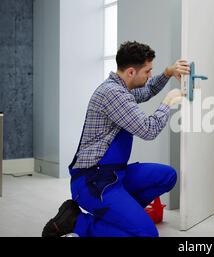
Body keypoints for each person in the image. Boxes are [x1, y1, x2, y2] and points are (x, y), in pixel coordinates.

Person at [42, 41, 190, 237]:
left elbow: (146, 91)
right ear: (131, 72)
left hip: (113, 175)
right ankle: (77, 222)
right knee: (147, 235)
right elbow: (148, 130)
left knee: (167, 176)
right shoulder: (113, 94)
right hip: (93, 182)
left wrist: (168, 72)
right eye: (147, 71)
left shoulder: (121, 88)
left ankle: (122, 215)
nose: (150, 75)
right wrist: (168, 102)